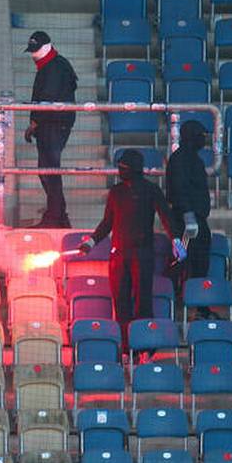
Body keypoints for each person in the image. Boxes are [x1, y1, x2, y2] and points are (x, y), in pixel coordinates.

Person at [80, 149, 179, 355]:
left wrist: (176, 241)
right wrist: (91, 241)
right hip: (119, 256)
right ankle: (125, 349)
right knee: (121, 303)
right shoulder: (116, 192)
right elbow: (107, 222)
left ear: (133, 169)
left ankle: (145, 349)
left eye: (123, 167)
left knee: (143, 302)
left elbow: (166, 217)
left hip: (142, 255)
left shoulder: (151, 191)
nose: (119, 170)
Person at [23, 30, 79, 228]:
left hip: (54, 123)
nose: (33, 55)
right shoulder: (53, 65)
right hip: (52, 122)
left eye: (36, 50)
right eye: (31, 51)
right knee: (46, 169)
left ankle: (55, 217)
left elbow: (47, 98)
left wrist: (34, 122)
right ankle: (58, 215)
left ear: (47, 47)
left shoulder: (54, 67)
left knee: (48, 169)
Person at [166, 120, 216, 319]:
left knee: (199, 264)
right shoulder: (180, 159)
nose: (203, 140)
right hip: (187, 224)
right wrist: (188, 217)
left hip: (196, 220)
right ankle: (172, 301)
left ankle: (200, 307)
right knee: (180, 261)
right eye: (200, 136)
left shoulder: (192, 159)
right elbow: (179, 189)